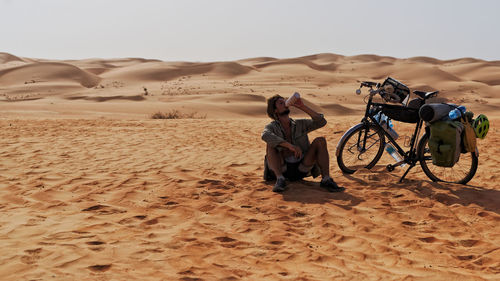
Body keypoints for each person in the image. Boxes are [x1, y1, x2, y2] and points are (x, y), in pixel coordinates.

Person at [261, 94, 344, 193]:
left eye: (285, 101)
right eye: (281, 103)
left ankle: (326, 179)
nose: (285, 104)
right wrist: (289, 146)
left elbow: (321, 122)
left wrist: (302, 107)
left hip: (302, 166)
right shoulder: (271, 127)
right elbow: (265, 135)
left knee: (320, 141)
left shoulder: (299, 124)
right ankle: (280, 179)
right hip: (282, 168)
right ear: (275, 110)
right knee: (270, 144)